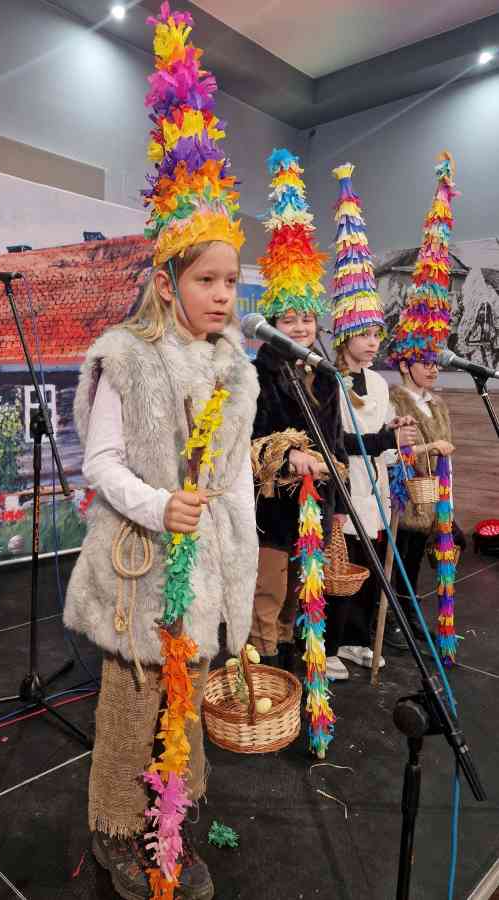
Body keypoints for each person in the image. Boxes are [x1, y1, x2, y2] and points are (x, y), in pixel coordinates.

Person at [64, 6, 258, 898]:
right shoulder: (128, 357)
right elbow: (101, 465)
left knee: (189, 698)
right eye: (206, 279)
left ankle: (173, 820)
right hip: (139, 566)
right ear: (168, 279)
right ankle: (116, 829)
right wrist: (157, 504)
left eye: (231, 281)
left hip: (206, 565)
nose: (221, 295)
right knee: (135, 697)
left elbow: (234, 481)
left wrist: (241, 584)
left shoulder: (237, 370)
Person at [248, 149, 349, 682]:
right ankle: (260, 669)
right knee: (267, 592)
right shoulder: (260, 373)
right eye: (290, 319)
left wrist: (338, 507)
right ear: (273, 325)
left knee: (299, 594)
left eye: (308, 318)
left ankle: (289, 666)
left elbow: (337, 445)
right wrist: (288, 455)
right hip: (274, 507)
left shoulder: (326, 377)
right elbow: (253, 434)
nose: (302, 328)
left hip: (316, 507)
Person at [329, 163, 417, 674]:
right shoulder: (329, 381)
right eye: (364, 334)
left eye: (376, 334)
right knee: (338, 569)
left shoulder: (380, 384)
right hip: (345, 491)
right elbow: (339, 438)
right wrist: (382, 437)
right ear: (345, 334)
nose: (371, 343)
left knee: (368, 568)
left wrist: (395, 437)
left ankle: (359, 640)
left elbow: (380, 433)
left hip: (376, 488)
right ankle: (330, 645)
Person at [386, 151, 461, 651]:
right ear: (406, 364)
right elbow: (404, 449)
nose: (432, 368)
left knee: (424, 564)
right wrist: (430, 451)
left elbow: (444, 447)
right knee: (403, 563)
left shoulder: (439, 403)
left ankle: (412, 619)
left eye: (436, 362)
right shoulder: (398, 399)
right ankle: (399, 622)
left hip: (435, 500)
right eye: (425, 362)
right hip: (409, 499)